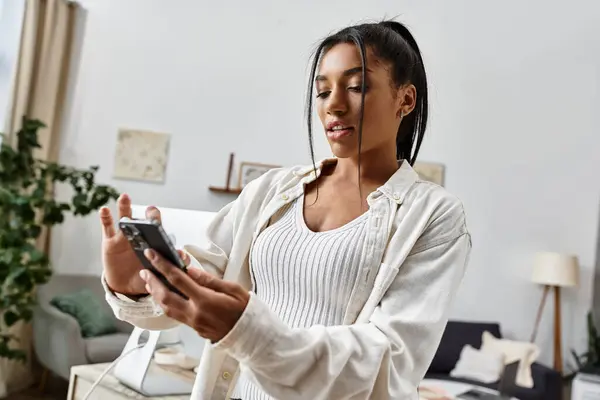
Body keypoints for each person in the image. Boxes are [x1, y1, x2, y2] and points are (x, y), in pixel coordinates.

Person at [100, 19, 471, 400]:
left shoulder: (434, 216)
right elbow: (200, 285)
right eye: (323, 91)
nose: (334, 106)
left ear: (405, 100)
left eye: (356, 87)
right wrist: (136, 284)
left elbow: (386, 364)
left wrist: (249, 332)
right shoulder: (271, 191)